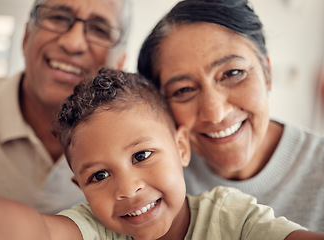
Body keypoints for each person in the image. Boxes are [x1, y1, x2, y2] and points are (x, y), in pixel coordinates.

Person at [0, 67, 324, 240]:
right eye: (99, 176)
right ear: (81, 187)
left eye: (141, 156)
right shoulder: (97, 228)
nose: (127, 188)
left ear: (181, 147)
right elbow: (36, 231)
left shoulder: (233, 218)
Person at [137, 0, 324, 232]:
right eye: (184, 90)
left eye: (233, 73)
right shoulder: (148, 186)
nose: (215, 113)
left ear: (267, 73)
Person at [0, 0, 131, 214]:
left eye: (99, 30)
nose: (73, 43)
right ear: (26, 37)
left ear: (119, 63)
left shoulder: (135, 146)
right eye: (58, 18)